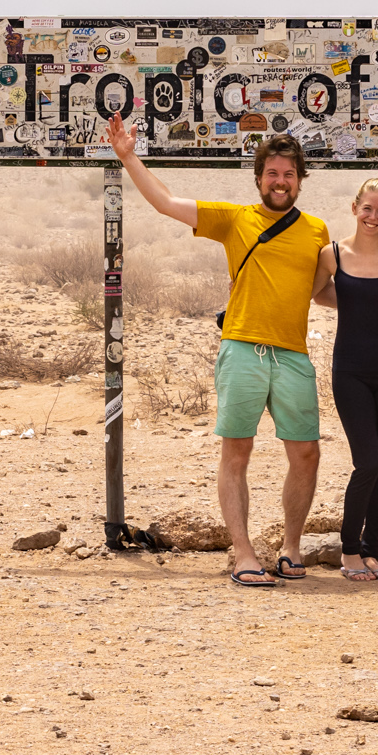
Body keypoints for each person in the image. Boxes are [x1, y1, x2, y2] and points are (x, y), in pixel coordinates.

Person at [108, 112, 330, 588]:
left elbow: (320, 291)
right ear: (258, 178)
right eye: (272, 172)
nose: (280, 180)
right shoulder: (235, 219)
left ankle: (291, 549)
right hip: (243, 348)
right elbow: (166, 203)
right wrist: (129, 157)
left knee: (306, 453)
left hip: (292, 353)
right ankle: (244, 552)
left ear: (300, 180)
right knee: (237, 452)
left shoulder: (316, 229)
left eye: (289, 173)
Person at [311, 178, 378, 582]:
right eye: (367, 209)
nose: (373, 217)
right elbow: (318, 294)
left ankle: (372, 551)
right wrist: (357, 300)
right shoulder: (331, 254)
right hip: (350, 370)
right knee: (366, 463)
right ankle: (349, 551)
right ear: (355, 207)